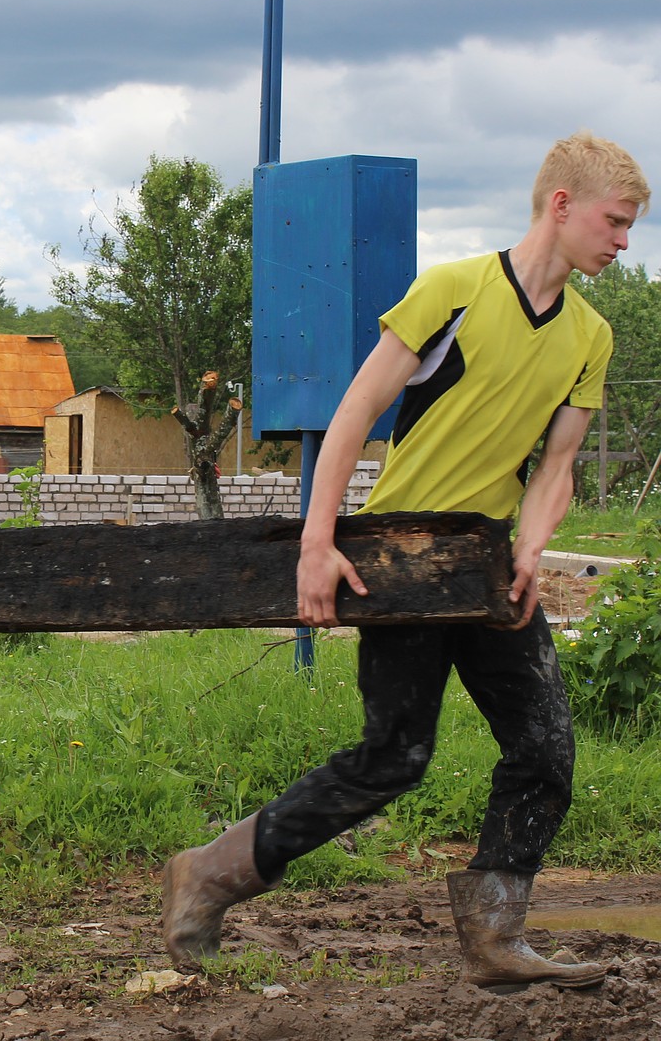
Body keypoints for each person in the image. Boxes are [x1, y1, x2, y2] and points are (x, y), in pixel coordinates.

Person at [162, 131, 650, 989]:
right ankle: (210, 873)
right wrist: (319, 543)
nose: (623, 241)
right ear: (560, 205)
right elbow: (355, 411)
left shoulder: (589, 334)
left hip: (486, 562)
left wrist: (533, 545)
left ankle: (498, 939)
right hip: (398, 551)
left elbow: (560, 463)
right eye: (615, 222)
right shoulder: (453, 290)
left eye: (632, 227)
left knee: (545, 752)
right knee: (395, 755)